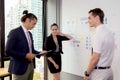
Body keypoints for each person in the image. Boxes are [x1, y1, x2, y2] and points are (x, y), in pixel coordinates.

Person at [5, 10, 47, 80]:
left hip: (30, 66)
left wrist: (40, 53)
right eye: (34, 23)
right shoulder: (14, 32)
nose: (34, 26)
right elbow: (8, 50)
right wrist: (25, 55)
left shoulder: (30, 34)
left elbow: (32, 50)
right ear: (28, 20)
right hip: (19, 68)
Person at [84, 8, 114, 80]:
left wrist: (87, 73)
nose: (88, 21)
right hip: (109, 71)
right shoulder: (109, 32)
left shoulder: (98, 34)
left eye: (89, 18)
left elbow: (95, 58)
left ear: (97, 18)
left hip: (99, 74)